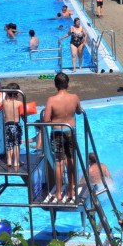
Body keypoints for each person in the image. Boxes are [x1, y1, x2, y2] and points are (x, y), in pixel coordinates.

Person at [41, 72, 83, 202]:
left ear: (55, 85)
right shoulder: (74, 97)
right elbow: (79, 111)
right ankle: (71, 190)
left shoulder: (51, 100)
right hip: (71, 131)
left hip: (57, 132)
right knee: (71, 161)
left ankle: (59, 193)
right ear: (68, 84)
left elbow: (46, 120)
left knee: (59, 163)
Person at [1, 82, 25, 168]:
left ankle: (9, 161)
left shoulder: (4, 102)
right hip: (16, 126)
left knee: (9, 143)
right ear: (17, 93)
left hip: (7, 126)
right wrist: (26, 122)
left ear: (7, 93)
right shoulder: (19, 103)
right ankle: (16, 162)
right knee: (16, 144)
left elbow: (3, 101)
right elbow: (23, 115)